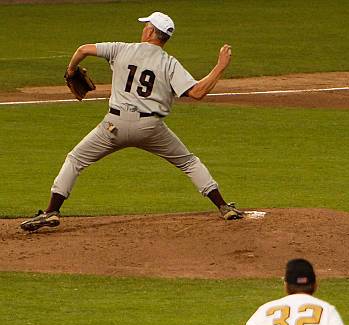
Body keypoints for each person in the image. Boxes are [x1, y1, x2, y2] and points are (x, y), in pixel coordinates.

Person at [21, 11, 243, 232]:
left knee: (75, 159)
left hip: (113, 126)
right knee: (188, 162)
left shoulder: (122, 49)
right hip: (151, 129)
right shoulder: (169, 63)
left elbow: (83, 50)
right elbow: (197, 92)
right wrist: (220, 67)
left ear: (150, 31)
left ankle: (51, 211)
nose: (143, 28)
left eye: (146, 25)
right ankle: (224, 207)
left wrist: (71, 71)